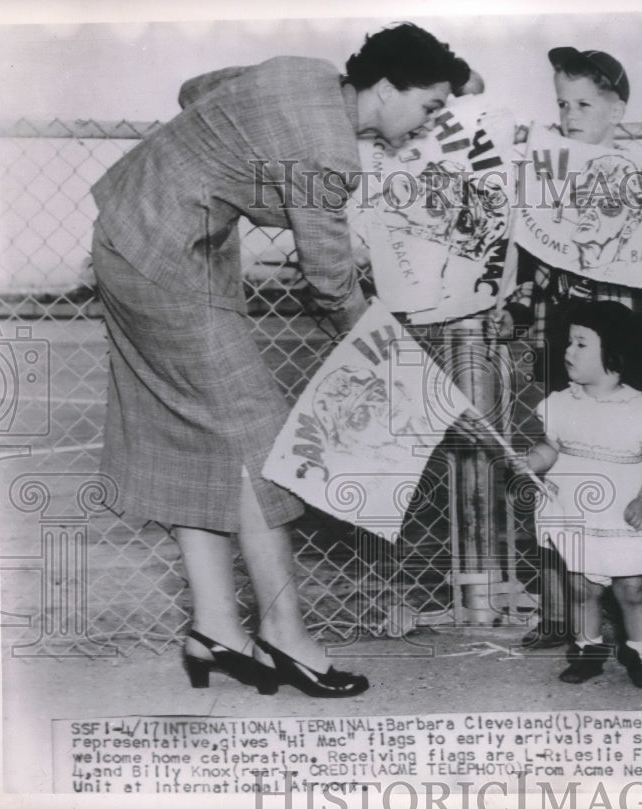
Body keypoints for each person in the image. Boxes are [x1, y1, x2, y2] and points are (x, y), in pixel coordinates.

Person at [90, 23, 474, 697]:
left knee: (198, 438)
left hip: (132, 232)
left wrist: (226, 168)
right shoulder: (329, 150)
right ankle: (286, 636)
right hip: (165, 258)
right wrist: (402, 373)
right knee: (255, 440)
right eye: (430, 106)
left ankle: (215, 628)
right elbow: (330, 287)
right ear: (385, 89)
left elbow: (196, 90)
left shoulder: (307, 73)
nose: (426, 123)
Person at [493, 47, 642, 649]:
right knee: (559, 471)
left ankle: (634, 607)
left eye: (584, 104)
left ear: (617, 108)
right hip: (562, 346)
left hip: (624, 352)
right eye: (562, 104)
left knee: (626, 469)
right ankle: (562, 612)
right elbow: (536, 267)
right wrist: (518, 309)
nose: (570, 116)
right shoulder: (547, 175)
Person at [510, 301, 642, 688]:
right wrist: (531, 461)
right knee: (582, 586)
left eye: (581, 344)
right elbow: (551, 447)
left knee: (634, 588)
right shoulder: (562, 403)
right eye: (569, 342)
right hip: (578, 509)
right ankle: (587, 652)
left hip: (626, 510)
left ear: (614, 355)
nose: (568, 351)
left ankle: (641, 652)